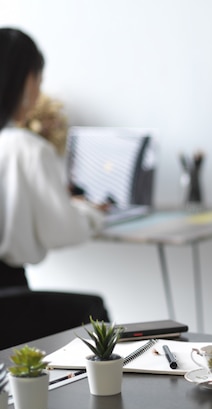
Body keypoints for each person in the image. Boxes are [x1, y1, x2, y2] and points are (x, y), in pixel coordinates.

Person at [0, 27, 109, 347]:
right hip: (7, 298)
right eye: (39, 81)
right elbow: (63, 231)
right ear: (27, 80)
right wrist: (89, 213)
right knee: (93, 313)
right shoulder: (23, 147)